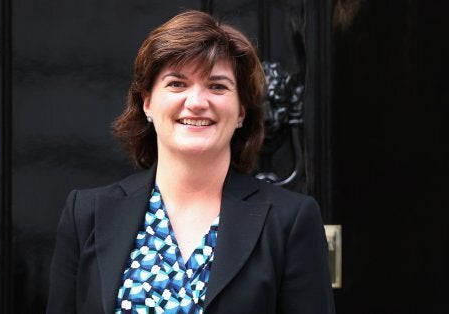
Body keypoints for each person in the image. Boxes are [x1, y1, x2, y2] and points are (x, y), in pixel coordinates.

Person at [47, 9, 335, 314]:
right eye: (177, 84)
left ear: (241, 112)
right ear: (147, 102)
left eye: (217, 86)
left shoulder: (290, 221)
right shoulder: (87, 215)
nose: (197, 102)